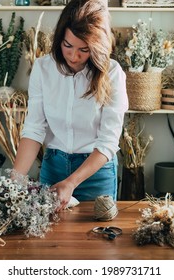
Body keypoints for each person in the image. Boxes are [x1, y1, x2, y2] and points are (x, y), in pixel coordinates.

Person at [13, 0, 128, 211]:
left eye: (84, 50)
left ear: (97, 46)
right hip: (53, 167)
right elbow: (34, 129)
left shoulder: (111, 73)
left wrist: (72, 182)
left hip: (95, 173)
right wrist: (13, 182)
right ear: (59, 39)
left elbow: (108, 141)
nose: (74, 56)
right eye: (68, 46)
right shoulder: (43, 68)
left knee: (95, 240)